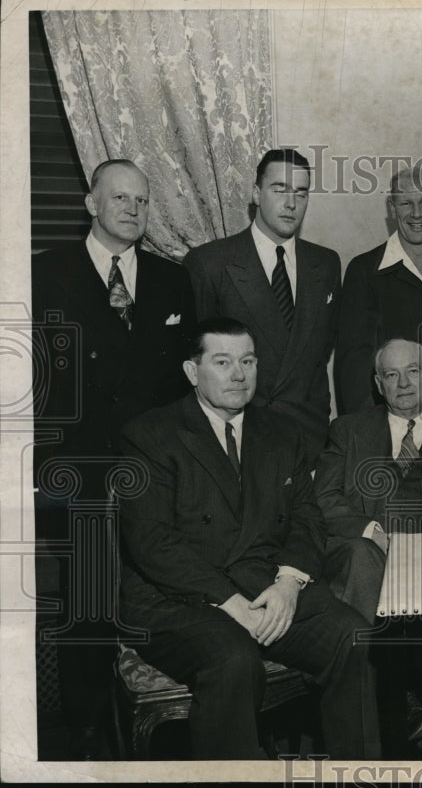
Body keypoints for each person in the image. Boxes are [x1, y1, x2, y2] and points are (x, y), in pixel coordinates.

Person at [116, 318, 380, 759]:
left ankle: (358, 775)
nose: (239, 374)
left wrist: (289, 583)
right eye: (222, 362)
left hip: (264, 586)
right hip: (177, 600)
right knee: (234, 660)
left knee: (355, 638)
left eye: (248, 361)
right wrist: (231, 603)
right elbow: (152, 543)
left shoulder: (282, 433)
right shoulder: (149, 436)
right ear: (192, 371)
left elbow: (307, 518)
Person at [31, 158, 196, 757]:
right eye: (120, 197)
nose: (133, 209)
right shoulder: (43, 274)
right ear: (91, 204)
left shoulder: (172, 280)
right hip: (78, 475)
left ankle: (170, 736)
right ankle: (87, 732)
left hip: (154, 474)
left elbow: (183, 388)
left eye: (142, 201)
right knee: (88, 607)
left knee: (161, 593)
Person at [315, 337, 422, 745]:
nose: (404, 383)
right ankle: (380, 709)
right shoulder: (348, 430)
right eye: (392, 375)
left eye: (413, 372)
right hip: (366, 560)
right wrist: (371, 530)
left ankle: (405, 709)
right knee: (362, 559)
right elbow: (323, 498)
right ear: (379, 384)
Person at [183, 148, 341, 465]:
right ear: (256, 194)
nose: (291, 203)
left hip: (308, 438)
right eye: (279, 189)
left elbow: (318, 353)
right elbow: (198, 361)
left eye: (301, 193)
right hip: (240, 438)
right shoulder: (210, 263)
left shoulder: (325, 263)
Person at [335, 166, 422, 415]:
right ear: (392, 208)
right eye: (406, 203)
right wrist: (367, 431)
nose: (416, 213)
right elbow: (354, 366)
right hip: (391, 426)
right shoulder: (364, 271)